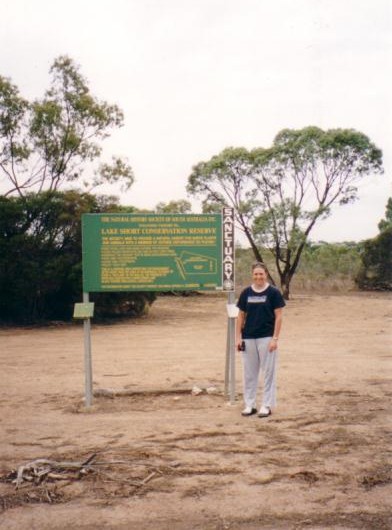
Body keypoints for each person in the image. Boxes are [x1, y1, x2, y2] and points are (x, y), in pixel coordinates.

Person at [236, 262, 285, 418]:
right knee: (249, 374)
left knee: (268, 372)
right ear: (252, 275)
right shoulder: (246, 293)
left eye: (261, 274)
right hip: (248, 337)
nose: (258, 277)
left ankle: (266, 405)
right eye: (256, 274)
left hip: (266, 337)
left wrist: (275, 338)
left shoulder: (274, 293)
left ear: (266, 274)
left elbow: (279, 316)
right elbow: (241, 316)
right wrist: (238, 337)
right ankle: (250, 405)